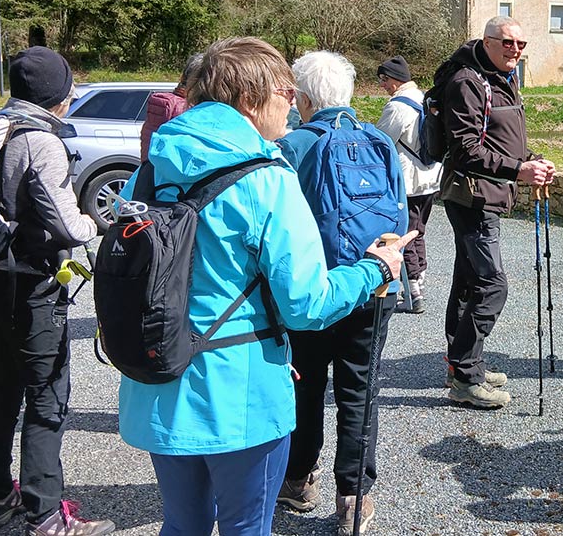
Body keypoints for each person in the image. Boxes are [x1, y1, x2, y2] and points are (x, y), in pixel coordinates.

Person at [116, 38, 413, 536]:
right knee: (246, 525)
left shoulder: (150, 168)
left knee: (183, 524)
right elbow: (307, 304)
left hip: (157, 379)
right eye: (286, 92)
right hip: (240, 395)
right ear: (252, 101)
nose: (292, 103)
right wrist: (375, 270)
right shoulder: (265, 177)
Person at [0, 47, 113, 534]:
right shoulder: (40, 141)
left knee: (0, 389)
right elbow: (66, 225)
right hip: (28, 285)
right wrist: (99, 223)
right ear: (58, 97)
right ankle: (45, 517)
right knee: (47, 397)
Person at [274, 51, 405, 534]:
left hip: (317, 287)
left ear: (303, 98)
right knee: (360, 390)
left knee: (304, 385)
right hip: (375, 283)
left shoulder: (293, 146)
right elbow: (401, 217)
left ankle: (298, 478)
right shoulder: (379, 140)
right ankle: (354, 497)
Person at [439, 16, 554, 409]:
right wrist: (519, 170)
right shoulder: (467, 82)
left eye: (521, 44)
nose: (515, 50)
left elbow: (505, 140)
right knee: (492, 284)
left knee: (471, 280)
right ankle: (466, 378)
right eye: (507, 43)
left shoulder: (502, 78)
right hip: (471, 196)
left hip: (487, 193)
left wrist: (532, 161)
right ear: (487, 41)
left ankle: (461, 365)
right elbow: (466, 148)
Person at [376, 55, 441, 314]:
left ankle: (413, 290)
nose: (382, 86)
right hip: (430, 179)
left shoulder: (397, 107)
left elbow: (381, 142)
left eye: (383, 80)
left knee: (407, 234)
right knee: (419, 231)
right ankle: (418, 282)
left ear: (393, 81)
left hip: (409, 182)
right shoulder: (424, 99)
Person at [139, 53, 202, 161]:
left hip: (147, 169)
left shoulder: (160, 101)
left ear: (182, 76)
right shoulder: (186, 109)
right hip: (167, 175)